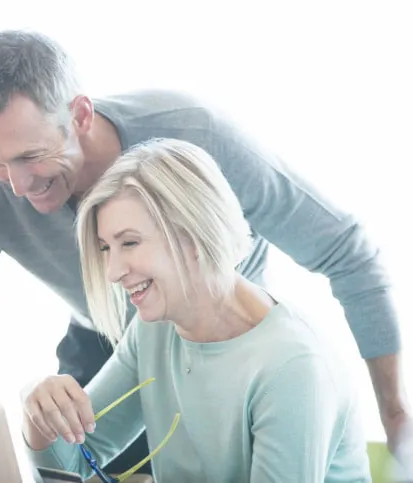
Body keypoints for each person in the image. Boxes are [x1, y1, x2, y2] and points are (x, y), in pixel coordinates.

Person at [0, 29, 409, 473]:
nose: (16, 187)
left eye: (30, 156)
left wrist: (395, 414)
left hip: (231, 334)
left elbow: (347, 252)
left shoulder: (198, 136)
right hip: (131, 332)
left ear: (81, 115)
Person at [21, 137, 372, 482]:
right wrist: (41, 413)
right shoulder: (153, 331)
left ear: (193, 235)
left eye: (129, 243)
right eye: (105, 249)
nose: (113, 272)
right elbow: (74, 464)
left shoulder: (292, 366)